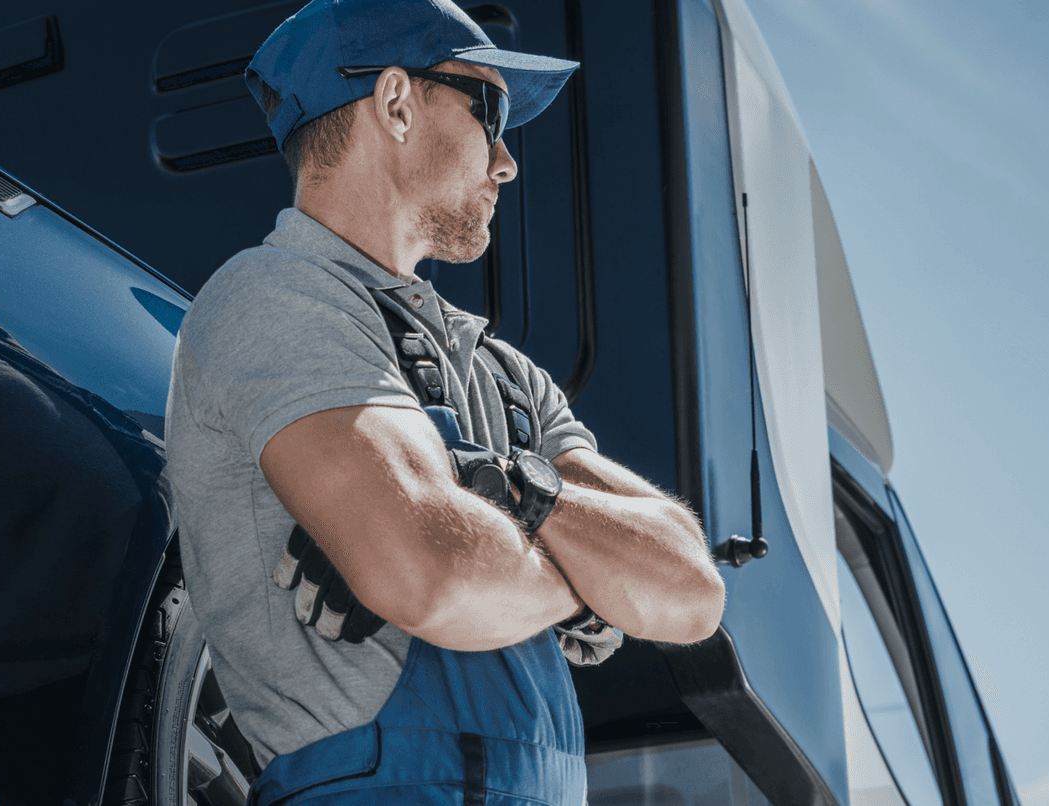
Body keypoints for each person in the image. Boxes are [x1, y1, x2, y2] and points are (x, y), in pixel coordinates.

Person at [161, 0, 729, 802]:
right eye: (487, 109)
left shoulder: (505, 373)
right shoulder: (272, 300)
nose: (507, 161)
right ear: (396, 102)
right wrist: (590, 577)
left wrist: (499, 489)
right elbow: (431, 576)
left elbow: (690, 589)